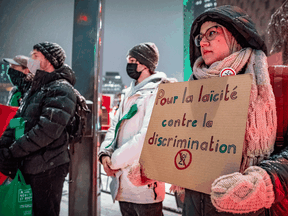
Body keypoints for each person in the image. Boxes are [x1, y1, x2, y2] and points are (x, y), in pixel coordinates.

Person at [182, 5, 278, 215]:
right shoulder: (191, 88)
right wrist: (155, 163)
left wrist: (265, 180)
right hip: (194, 204)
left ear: (235, 35)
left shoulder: (273, 81)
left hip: (245, 208)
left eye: (212, 33)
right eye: (200, 37)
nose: (203, 42)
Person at [98, 42, 176, 216]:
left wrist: (114, 162)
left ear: (145, 64)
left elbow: (147, 136)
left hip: (145, 183)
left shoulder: (159, 91)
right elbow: (114, 126)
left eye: (133, 60)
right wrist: (105, 154)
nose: (129, 64)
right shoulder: (127, 92)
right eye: (128, 59)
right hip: (121, 182)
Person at [0, 41, 77, 216]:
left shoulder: (61, 89)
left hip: (48, 167)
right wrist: (3, 146)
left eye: (35, 56)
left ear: (49, 61)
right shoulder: (36, 88)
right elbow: (17, 119)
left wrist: (12, 152)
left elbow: (46, 131)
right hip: (30, 163)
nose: (31, 59)